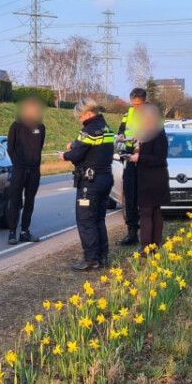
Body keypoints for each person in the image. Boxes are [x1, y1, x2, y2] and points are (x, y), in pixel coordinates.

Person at [61, 98, 115, 271]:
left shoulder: (89, 130)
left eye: (81, 116)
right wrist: (75, 146)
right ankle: (103, 256)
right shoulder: (107, 129)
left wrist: (65, 155)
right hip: (105, 177)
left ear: (89, 113)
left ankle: (91, 259)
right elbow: (92, 149)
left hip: (90, 182)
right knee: (99, 219)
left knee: (85, 220)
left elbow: (77, 155)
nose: (80, 119)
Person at [5, 97, 45, 245]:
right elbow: (10, 147)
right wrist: (18, 162)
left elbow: (39, 146)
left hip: (34, 170)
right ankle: (12, 232)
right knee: (15, 201)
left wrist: (33, 161)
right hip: (19, 169)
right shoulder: (15, 126)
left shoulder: (40, 127)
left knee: (30, 201)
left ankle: (25, 231)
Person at [129, 104, 169, 249]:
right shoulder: (151, 133)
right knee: (155, 212)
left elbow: (159, 158)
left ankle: (146, 246)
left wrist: (139, 158)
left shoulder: (158, 135)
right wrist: (138, 147)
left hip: (152, 180)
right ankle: (155, 243)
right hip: (153, 179)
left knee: (146, 212)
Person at [116, 87, 147, 245]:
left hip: (143, 159)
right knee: (129, 197)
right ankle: (132, 232)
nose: (136, 107)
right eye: (133, 104)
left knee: (144, 199)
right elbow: (122, 130)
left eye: (138, 104)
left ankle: (147, 234)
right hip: (129, 156)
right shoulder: (129, 113)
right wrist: (121, 136)